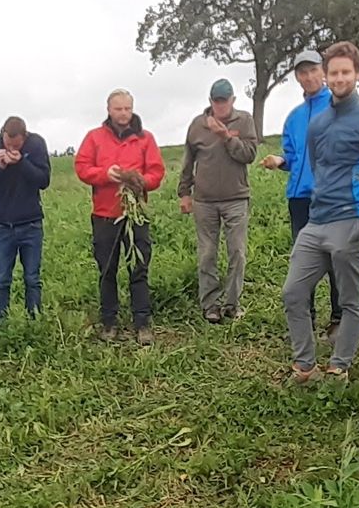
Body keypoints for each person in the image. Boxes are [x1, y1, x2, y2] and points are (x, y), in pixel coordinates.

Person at [281, 41, 359, 382]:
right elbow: (318, 165)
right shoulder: (318, 122)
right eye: (334, 72)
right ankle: (305, 366)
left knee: (349, 299)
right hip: (316, 222)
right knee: (293, 293)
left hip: (351, 220)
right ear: (326, 75)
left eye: (346, 71)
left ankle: (339, 366)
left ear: (358, 75)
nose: (339, 77)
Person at [75, 89, 166, 344]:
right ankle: (109, 322)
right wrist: (107, 174)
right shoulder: (94, 138)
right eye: (118, 109)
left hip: (135, 215)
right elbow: (82, 167)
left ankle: (142, 323)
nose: (124, 113)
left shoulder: (145, 139)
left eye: (127, 108)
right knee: (107, 270)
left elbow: (156, 172)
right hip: (105, 215)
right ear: (109, 110)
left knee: (139, 268)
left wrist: (139, 182)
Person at [261, 50, 338, 333]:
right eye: (302, 72)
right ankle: (306, 317)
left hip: (330, 196)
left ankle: (339, 320)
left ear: (324, 72)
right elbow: (293, 156)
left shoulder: (337, 107)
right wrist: (281, 161)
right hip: (299, 199)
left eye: (312, 70)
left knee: (334, 259)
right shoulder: (293, 117)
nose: (308, 77)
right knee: (303, 260)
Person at [179, 78, 260, 323]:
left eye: (224, 102)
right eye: (216, 102)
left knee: (237, 252)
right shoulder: (197, 125)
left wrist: (226, 136)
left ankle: (232, 304)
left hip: (236, 198)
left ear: (233, 101)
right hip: (204, 201)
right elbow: (188, 161)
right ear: (211, 101)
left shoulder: (244, 120)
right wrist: (184, 192)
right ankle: (210, 305)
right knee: (207, 254)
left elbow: (249, 155)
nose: (220, 106)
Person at [0, 116, 51, 321]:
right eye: (8, 144)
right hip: (3, 226)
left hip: (31, 224)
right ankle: (0, 324)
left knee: (32, 278)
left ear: (24, 138)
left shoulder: (36, 144)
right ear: (3, 135)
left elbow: (43, 180)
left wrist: (21, 163)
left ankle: (34, 321)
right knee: (1, 279)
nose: (11, 148)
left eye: (16, 145)